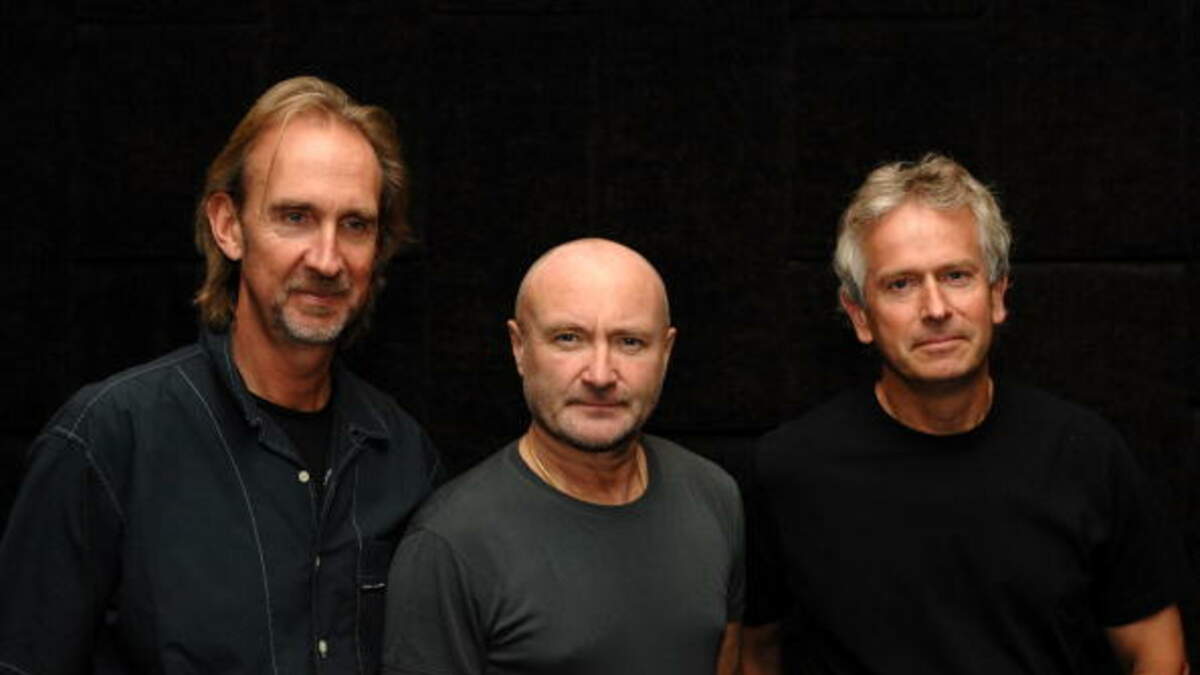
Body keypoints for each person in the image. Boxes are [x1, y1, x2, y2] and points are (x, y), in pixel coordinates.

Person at [0, 76, 440, 675]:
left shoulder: (404, 457)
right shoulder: (108, 440)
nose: (327, 258)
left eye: (355, 225)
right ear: (229, 226)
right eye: (295, 217)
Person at [741, 154, 1186, 674]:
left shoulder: (1085, 455)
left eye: (956, 276)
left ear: (996, 295)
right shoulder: (790, 470)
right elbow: (752, 655)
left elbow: (1158, 654)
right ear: (860, 315)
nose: (935, 309)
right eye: (901, 284)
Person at [382, 238, 743, 675]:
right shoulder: (450, 543)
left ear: (665, 354)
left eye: (630, 342)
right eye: (568, 339)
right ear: (519, 347)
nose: (600, 375)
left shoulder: (713, 496)